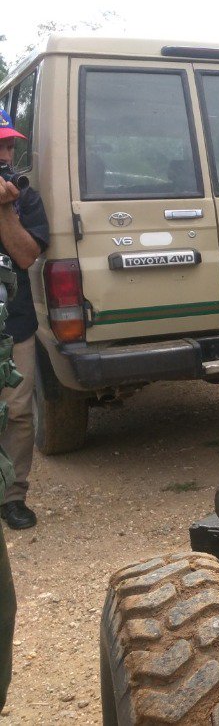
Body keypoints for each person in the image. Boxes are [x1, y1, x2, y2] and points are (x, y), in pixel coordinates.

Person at [0, 109, 49, 531]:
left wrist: (5, 211)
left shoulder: (24, 196)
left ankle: (12, 496)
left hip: (14, 325)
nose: (6, 151)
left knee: (17, 412)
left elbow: (28, 256)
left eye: (10, 143)